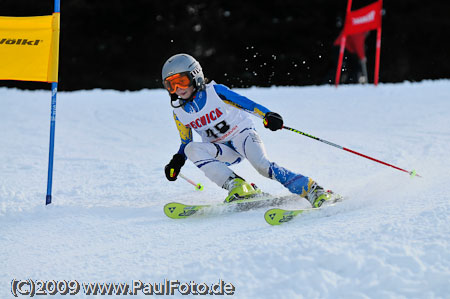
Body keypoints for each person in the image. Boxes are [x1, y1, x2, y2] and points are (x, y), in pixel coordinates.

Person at [162, 53, 331, 208]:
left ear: (195, 76)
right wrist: (177, 161)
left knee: (263, 167)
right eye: (171, 85)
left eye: (181, 81)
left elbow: (248, 105)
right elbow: (186, 143)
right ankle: (238, 187)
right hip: (223, 150)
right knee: (192, 148)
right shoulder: (179, 113)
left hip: (242, 135)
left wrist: (268, 115)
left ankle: (312, 189)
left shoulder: (215, 92)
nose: (178, 88)